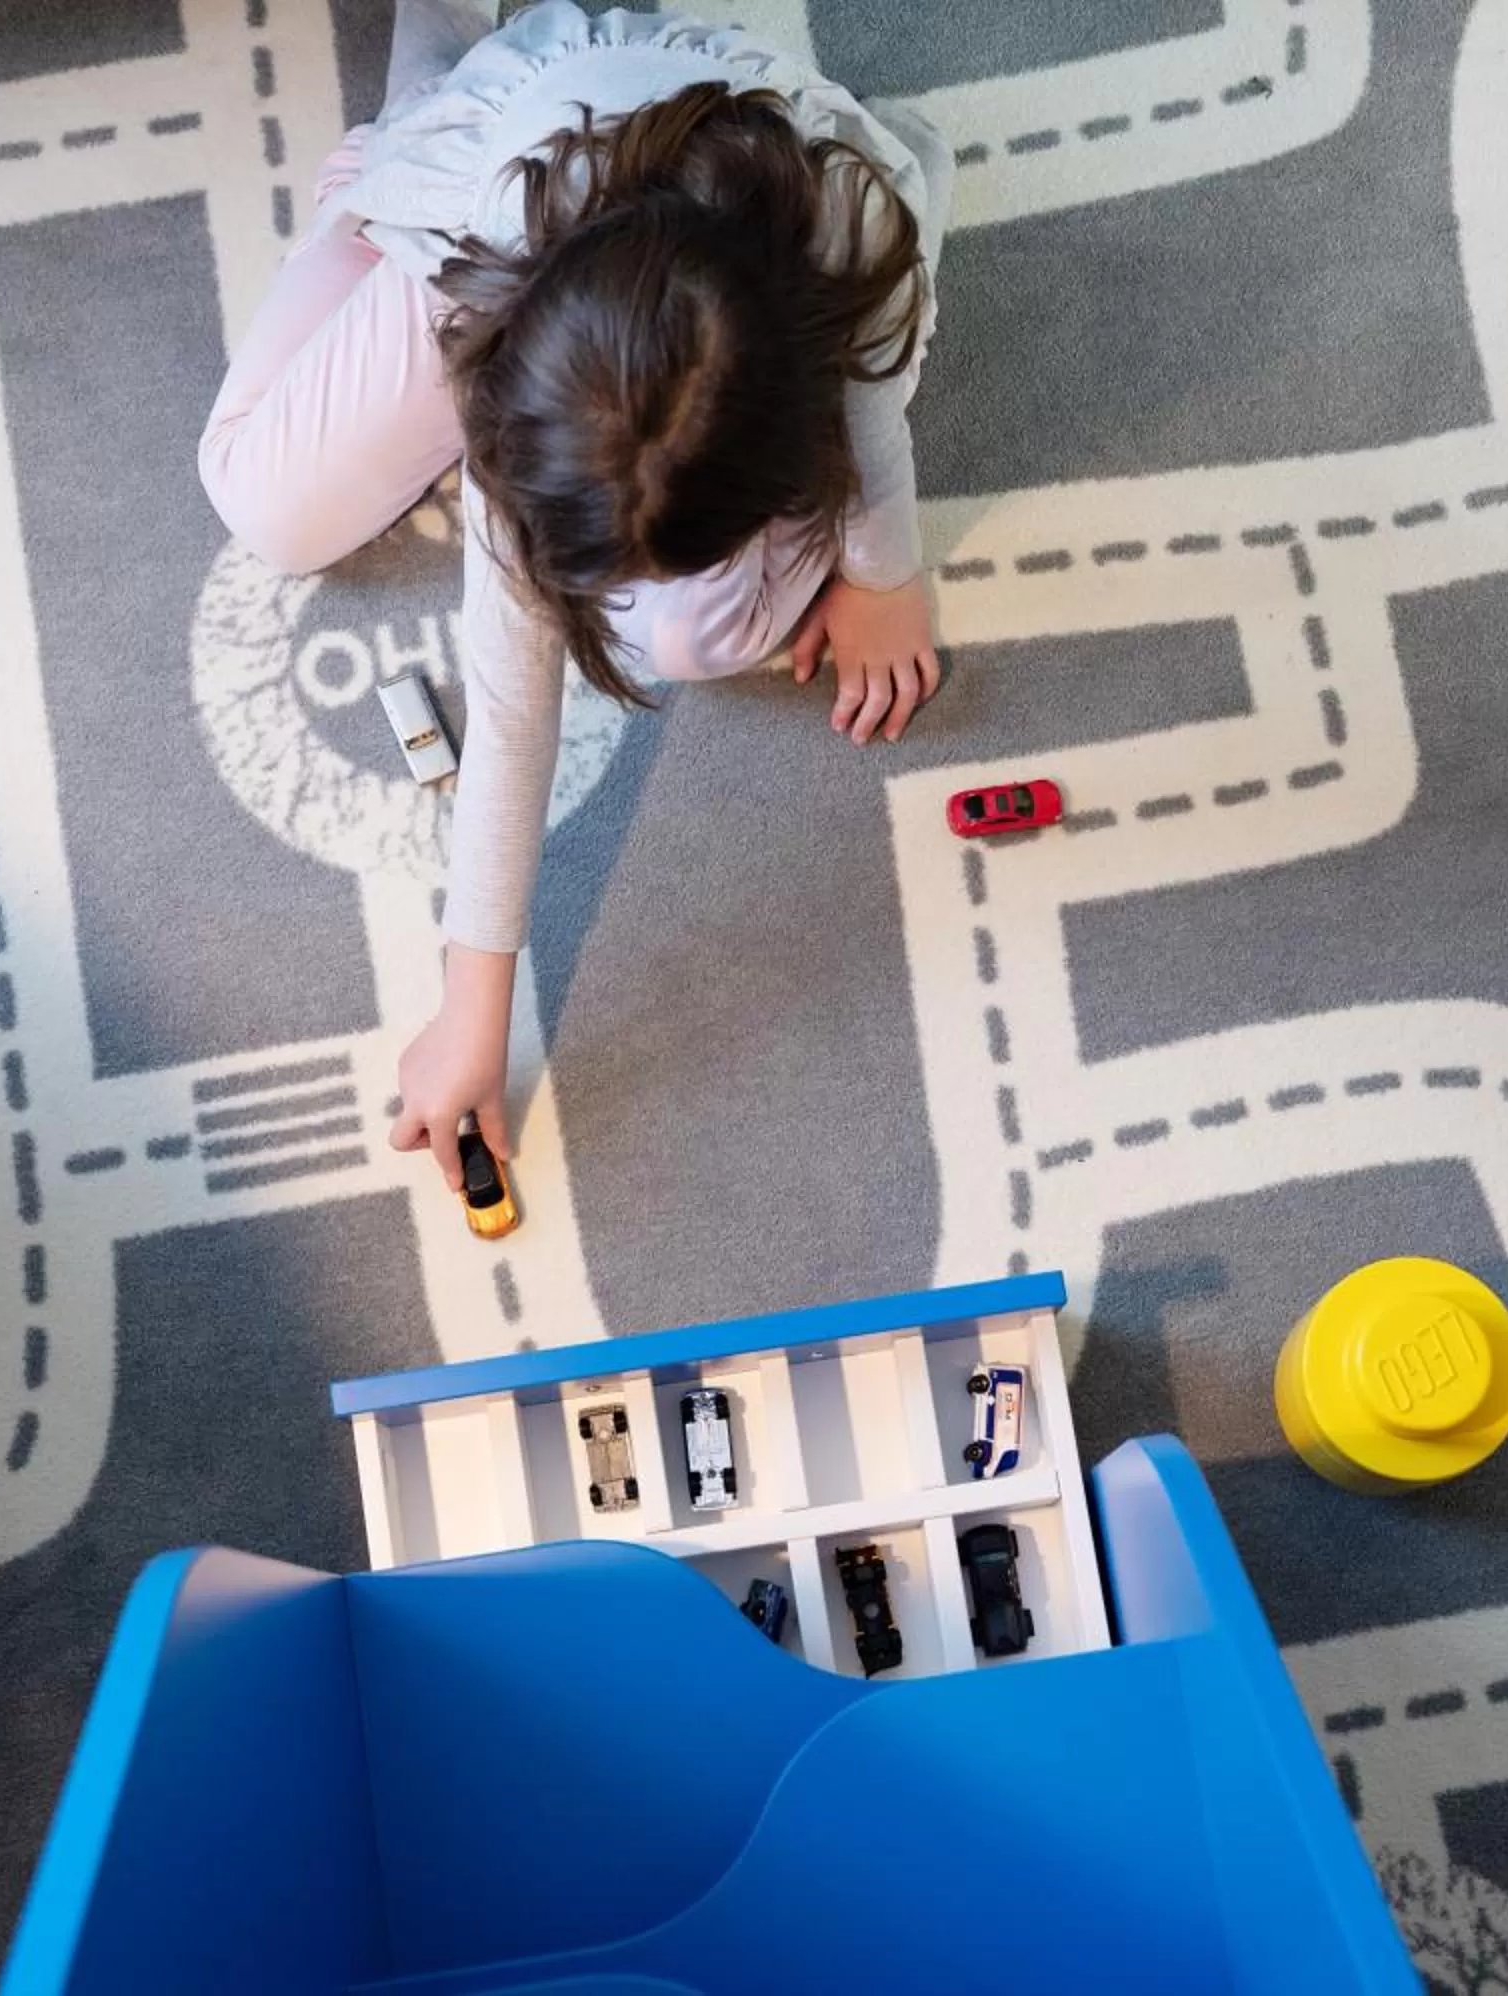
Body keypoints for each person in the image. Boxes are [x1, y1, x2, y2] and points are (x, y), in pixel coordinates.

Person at [197, 1, 954, 1195]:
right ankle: (425, 78)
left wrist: (884, 577)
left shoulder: (857, 247)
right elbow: (508, 704)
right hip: (491, 177)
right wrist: (472, 1011)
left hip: (754, 194)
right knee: (260, 498)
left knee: (702, 634)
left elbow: (871, 412)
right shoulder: (509, 340)